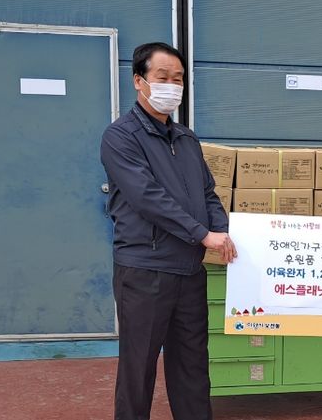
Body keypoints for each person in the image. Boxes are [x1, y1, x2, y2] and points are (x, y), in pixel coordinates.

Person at [100, 42, 237, 420]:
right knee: (138, 367)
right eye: (163, 77)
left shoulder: (186, 139)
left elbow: (207, 193)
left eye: (178, 79)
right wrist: (202, 234)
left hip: (189, 271)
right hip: (145, 270)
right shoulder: (121, 137)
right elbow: (148, 198)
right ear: (139, 81)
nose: (172, 86)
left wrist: (222, 231)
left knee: (193, 365)